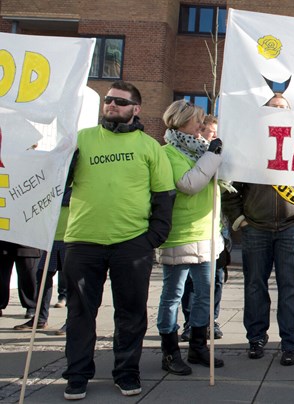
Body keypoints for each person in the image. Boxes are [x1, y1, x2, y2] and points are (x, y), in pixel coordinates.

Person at [62, 81, 175, 400]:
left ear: (136, 110)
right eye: (108, 100)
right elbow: (59, 182)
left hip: (132, 245)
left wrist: (152, 238)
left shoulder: (149, 146)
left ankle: (126, 372)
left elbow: (164, 196)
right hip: (83, 241)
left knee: (131, 312)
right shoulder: (81, 140)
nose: (111, 105)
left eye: (120, 102)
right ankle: (77, 375)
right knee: (80, 312)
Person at [222, 90, 294, 367]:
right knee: (255, 286)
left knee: (291, 287)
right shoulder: (249, 147)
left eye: (283, 107)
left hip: (292, 228)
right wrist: (239, 218)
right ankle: (256, 338)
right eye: (273, 107)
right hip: (256, 227)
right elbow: (231, 189)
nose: (278, 111)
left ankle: (290, 343)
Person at [155, 100, 225, 376]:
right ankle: (169, 351)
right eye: (196, 121)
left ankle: (198, 345)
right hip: (180, 234)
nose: (200, 126)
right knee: (173, 295)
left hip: (206, 233)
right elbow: (188, 184)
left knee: (204, 295)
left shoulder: (198, 150)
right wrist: (212, 156)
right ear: (181, 121)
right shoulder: (168, 153)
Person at [179, 114, 227, 341]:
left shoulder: (223, 155)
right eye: (211, 133)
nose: (215, 137)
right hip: (194, 225)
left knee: (216, 278)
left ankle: (211, 320)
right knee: (191, 281)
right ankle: (191, 322)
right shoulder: (192, 153)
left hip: (219, 224)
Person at [13, 187, 72, 335]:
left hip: (71, 238)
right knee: (43, 277)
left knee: (72, 281)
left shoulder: (75, 182)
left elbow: (66, 199)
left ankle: (71, 321)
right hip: (52, 239)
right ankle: (40, 318)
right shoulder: (54, 181)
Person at [0, 242, 40, 319]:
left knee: (29, 275)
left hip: (27, 241)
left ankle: (31, 306)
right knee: (1, 276)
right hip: (3, 239)